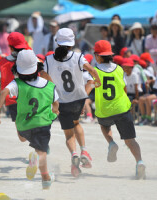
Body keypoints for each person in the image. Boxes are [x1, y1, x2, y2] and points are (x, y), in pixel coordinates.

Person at [0, 49, 58, 190]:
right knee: (42, 151)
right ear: (37, 68)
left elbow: (4, 92)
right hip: (43, 124)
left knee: (35, 143)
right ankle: (45, 177)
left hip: (23, 127)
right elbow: (56, 102)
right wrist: (55, 110)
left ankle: (34, 157)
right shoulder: (49, 85)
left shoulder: (17, 84)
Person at [44, 28, 101, 177]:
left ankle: (74, 154)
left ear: (57, 42)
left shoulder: (48, 60)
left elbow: (44, 78)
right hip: (77, 99)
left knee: (69, 133)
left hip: (61, 101)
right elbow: (91, 70)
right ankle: (84, 150)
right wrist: (97, 79)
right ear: (72, 42)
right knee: (77, 123)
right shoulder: (78, 56)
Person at [92, 40, 146, 179]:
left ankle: (111, 143)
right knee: (130, 140)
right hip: (122, 107)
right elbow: (123, 88)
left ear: (98, 56)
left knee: (104, 126)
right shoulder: (119, 69)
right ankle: (139, 161)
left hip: (105, 109)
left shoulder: (95, 71)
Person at [0, 32, 50, 142]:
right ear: (11, 48)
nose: (19, 51)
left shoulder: (31, 58)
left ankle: (37, 146)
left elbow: (43, 73)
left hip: (31, 97)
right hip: (14, 101)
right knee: (22, 137)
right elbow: (4, 84)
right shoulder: (4, 63)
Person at [138, 53, 157, 125]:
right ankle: (143, 117)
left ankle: (148, 118)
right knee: (141, 99)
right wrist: (151, 81)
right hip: (155, 91)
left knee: (148, 98)